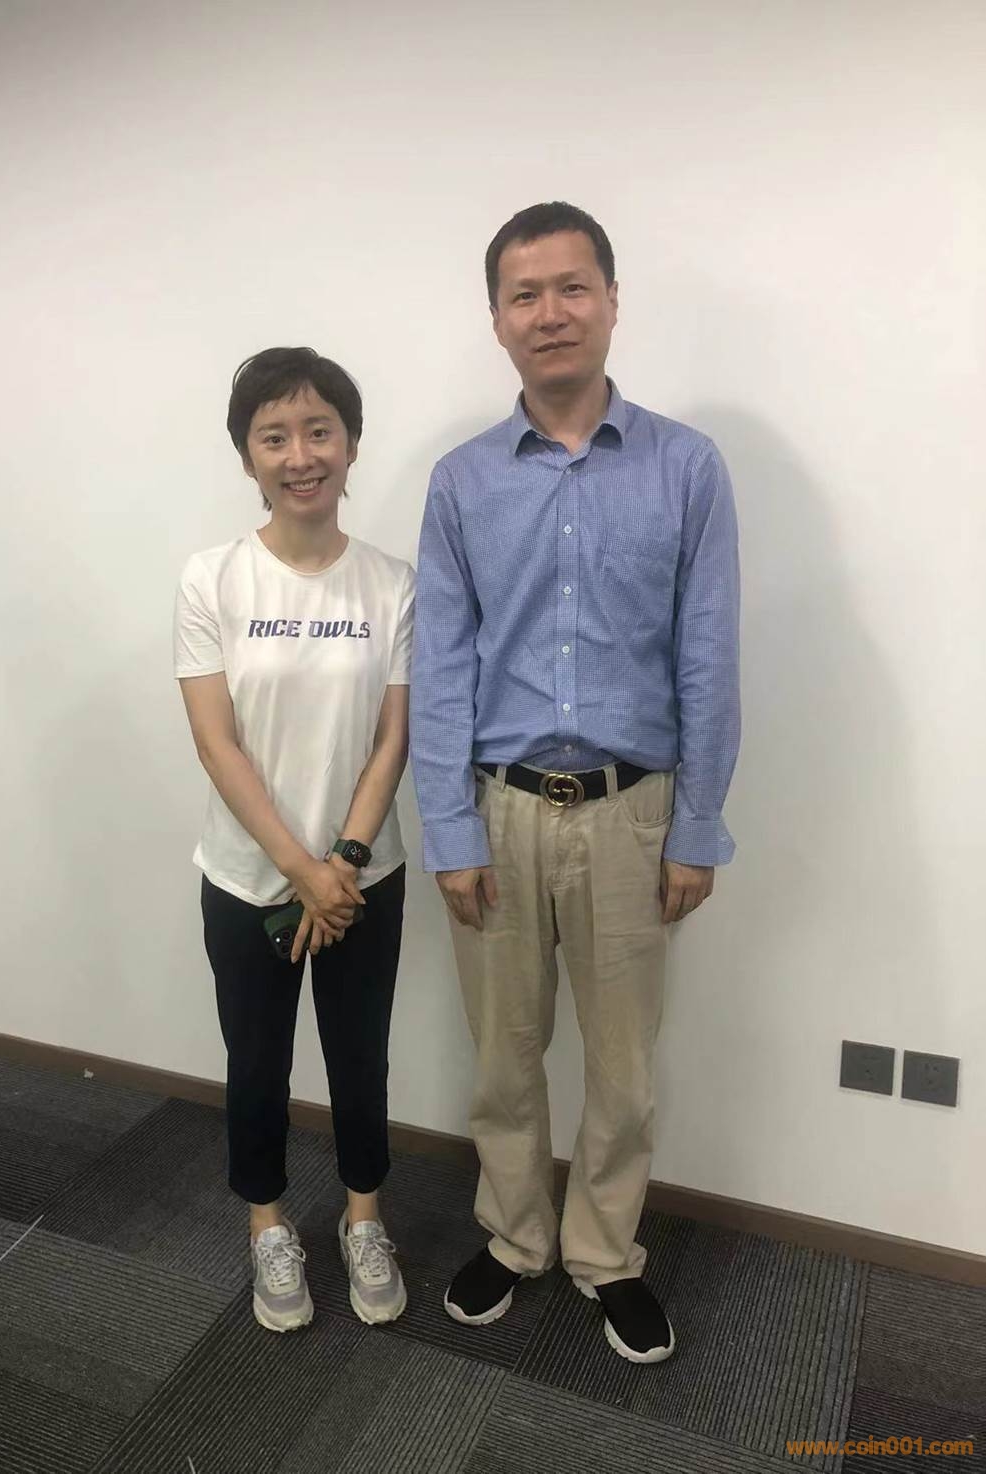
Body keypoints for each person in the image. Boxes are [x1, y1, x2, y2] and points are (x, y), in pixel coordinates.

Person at [411, 202, 741, 1362]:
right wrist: (447, 827)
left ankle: (605, 1251)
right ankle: (515, 1237)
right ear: (496, 319)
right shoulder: (461, 482)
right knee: (502, 1056)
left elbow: (706, 657)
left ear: (609, 300)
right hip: (496, 811)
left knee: (623, 1065)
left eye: (570, 287)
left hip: (632, 815)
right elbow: (440, 664)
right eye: (524, 294)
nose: (548, 312)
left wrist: (696, 824)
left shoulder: (685, 468)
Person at [174, 347, 414, 1332]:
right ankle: (268, 1225)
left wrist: (340, 866)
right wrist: (298, 870)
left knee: (360, 1058)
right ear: (247, 456)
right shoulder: (212, 578)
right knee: (257, 1061)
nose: (300, 454)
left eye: (320, 431)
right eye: (274, 436)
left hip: (363, 878)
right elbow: (216, 742)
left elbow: (392, 738)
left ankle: (364, 1217)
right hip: (248, 880)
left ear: (350, 444)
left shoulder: (391, 584)